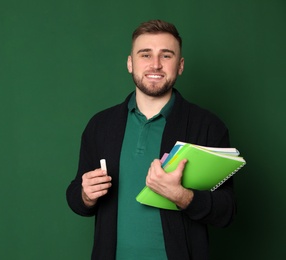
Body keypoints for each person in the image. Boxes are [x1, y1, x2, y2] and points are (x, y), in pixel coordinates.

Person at [66, 19, 236, 260]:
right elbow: (76, 196)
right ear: (130, 63)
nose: (155, 64)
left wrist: (182, 196)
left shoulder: (207, 126)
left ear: (180, 65)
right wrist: (85, 195)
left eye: (166, 56)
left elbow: (227, 211)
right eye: (145, 55)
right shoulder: (100, 125)